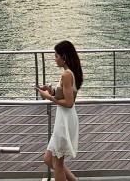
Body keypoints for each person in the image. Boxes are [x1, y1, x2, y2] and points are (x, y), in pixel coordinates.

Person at [36, 40, 84, 181]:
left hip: (64, 121)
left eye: (56, 56)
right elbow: (65, 94)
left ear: (64, 57)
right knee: (48, 159)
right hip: (63, 119)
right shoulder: (68, 73)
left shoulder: (66, 75)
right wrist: (50, 91)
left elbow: (69, 102)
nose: (55, 59)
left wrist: (48, 97)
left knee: (57, 163)